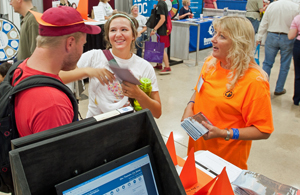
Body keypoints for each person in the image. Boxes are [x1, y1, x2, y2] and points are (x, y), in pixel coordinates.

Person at [181, 16, 274, 169]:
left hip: (225, 163)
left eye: (221, 36)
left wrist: (225, 133)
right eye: (215, 33)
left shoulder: (254, 81)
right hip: (197, 152)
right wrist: (189, 107)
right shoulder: (210, 63)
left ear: (238, 43)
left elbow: (263, 131)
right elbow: (198, 91)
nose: (213, 39)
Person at [12, 6, 101, 137]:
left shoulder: (20, 69)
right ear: (70, 43)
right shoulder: (53, 105)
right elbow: (59, 156)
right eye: (83, 44)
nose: (82, 51)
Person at [60, 12, 162, 119]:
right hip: (96, 127)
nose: (118, 34)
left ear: (133, 35)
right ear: (108, 36)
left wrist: (138, 94)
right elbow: (58, 77)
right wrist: (87, 71)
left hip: (129, 127)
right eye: (113, 30)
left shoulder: (145, 67)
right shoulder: (94, 56)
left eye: (124, 29)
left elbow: (157, 113)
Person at [256, 0, 299, 95]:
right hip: (288, 37)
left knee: (267, 63)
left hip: (271, 35)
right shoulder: (295, 7)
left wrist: (259, 37)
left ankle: (263, 87)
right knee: (285, 65)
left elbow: (264, 22)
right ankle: (279, 89)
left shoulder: (272, 5)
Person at [150, 0, 171, 74]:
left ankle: (167, 67)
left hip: (162, 30)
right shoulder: (160, 4)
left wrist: (154, 29)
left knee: (161, 48)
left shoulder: (161, 4)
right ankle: (159, 64)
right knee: (159, 47)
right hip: (161, 30)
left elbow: (163, 19)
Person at [288, 14, 300, 105]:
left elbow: (290, 36)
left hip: (298, 45)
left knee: (298, 74)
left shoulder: (297, 18)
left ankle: (297, 99)